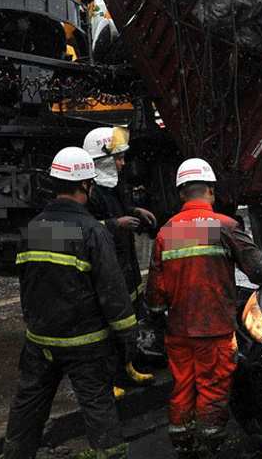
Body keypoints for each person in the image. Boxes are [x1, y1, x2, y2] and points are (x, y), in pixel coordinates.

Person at [145, 158, 262, 455]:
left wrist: (156, 316)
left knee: (182, 387)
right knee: (212, 388)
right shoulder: (224, 227)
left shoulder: (167, 232)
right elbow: (258, 267)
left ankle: (182, 442)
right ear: (211, 191)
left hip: (178, 330)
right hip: (214, 330)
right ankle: (208, 444)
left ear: (180, 194)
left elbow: (155, 290)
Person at [3, 147, 137, 459]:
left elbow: (29, 283)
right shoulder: (92, 232)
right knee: (98, 409)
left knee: (28, 408)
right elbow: (113, 294)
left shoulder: (34, 228)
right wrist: (127, 338)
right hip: (86, 345)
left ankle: (14, 454)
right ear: (86, 186)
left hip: (40, 342)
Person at [83, 126, 157, 391]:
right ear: (102, 160)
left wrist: (135, 210)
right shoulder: (91, 193)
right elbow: (84, 232)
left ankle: (127, 366)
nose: (123, 163)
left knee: (128, 319)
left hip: (125, 266)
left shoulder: (113, 185)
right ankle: (109, 378)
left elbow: (119, 208)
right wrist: (116, 224)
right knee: (110, 325)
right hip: (108, 268)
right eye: (118, 158)